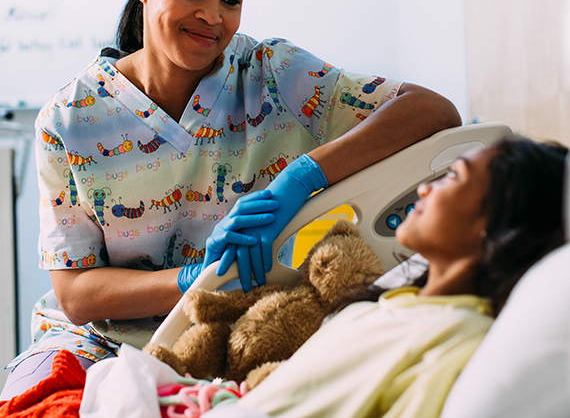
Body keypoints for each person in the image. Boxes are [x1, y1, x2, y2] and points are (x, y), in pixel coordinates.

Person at [0, 0, 460, 400]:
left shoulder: (274, 75)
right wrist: (197, 278)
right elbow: (76, 294)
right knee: (39, 402)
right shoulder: (70, 119)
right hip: (103, 342)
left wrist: (302, 177)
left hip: (235, 328)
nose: (213, 16)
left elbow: (432, 110)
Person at [208, 136, 568, 418]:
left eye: (455, 176)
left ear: (497, 223)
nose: (426, 188)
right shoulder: (386, 303)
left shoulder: (452, 336)